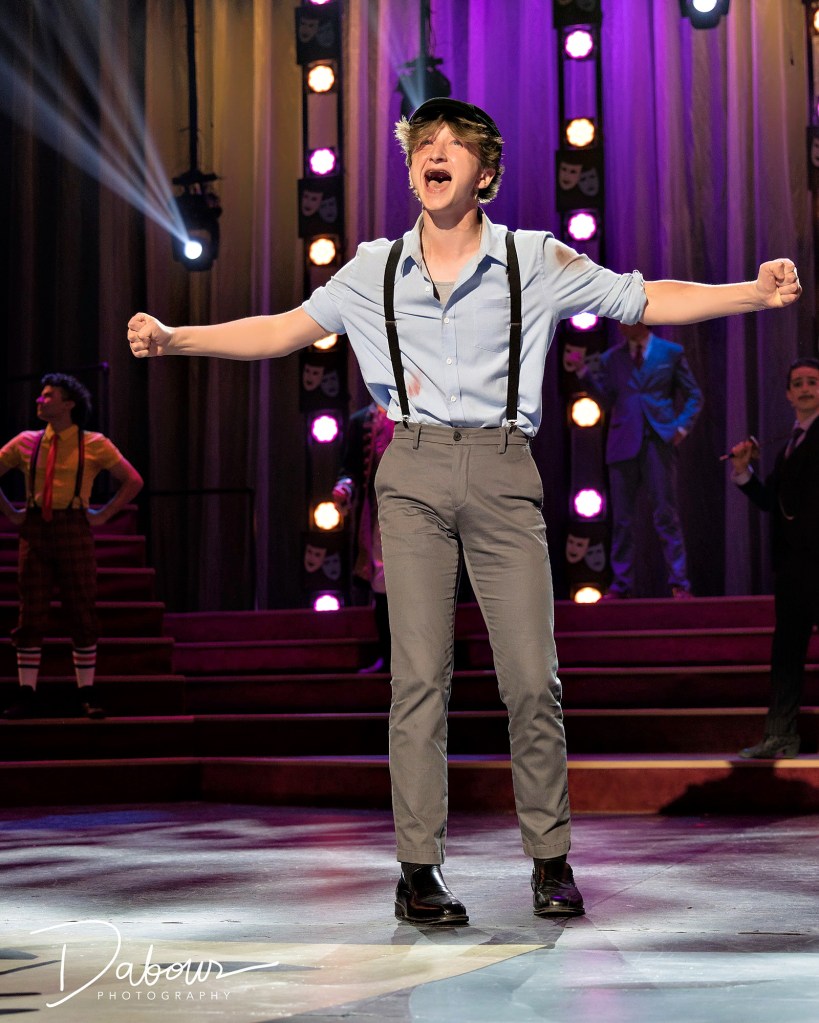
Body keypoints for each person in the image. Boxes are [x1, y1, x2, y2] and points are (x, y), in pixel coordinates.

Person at [128, 98, 801, 924]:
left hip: (501, 466)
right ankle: (418, 871)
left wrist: (752, 293)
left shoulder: (531, 258)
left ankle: (549, 859)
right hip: (406, 468)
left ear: (484, 172)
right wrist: (173, 337)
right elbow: (281, 330)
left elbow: (641, 297)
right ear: (411, 165)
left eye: (454, 146)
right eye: (423, 144)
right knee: (418, 678)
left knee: (530, 678)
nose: (434, 154)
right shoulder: (372, 268)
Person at [0, 373, 144, 720]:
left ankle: (86, 691)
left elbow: (133, 480)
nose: (40, 400)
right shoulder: (25, 442)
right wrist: (12, 513)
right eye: (41, 395)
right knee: (31, 610)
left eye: (48, 396)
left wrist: (103, 514)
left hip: (73, 526)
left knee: (81, 606)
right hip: (35, 529)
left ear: (69, 404)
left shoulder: (94, 443)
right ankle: (26, 692)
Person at [568, 320, 703, 598]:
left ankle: (679, 582)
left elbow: (693, 395)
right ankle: (621, 584)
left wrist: (681, 427)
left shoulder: (670, 352)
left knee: (666, 514)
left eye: (624, 320)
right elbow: (606, 397)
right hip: (622, 442)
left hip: (658, 440)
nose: (620, 326)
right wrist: (583, 372)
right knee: (622, 519)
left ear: (641, 320)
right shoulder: (611, 358)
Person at [727, 357, 819, 759]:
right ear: (787, 394)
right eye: (797, 383)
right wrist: (745, 473)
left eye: (813, 382)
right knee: (786, 654)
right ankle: (780, 737)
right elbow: (774, 503)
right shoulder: (789, 445)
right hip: (795, 569)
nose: (804, 388)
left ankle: (781, 737)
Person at [333, 401, 395, 674]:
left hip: (422, 514)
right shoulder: (363, 421)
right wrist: (344, 487)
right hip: (380, 517)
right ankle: (389, 658)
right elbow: (351, 469)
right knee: (382, 589)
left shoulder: (422, 414)